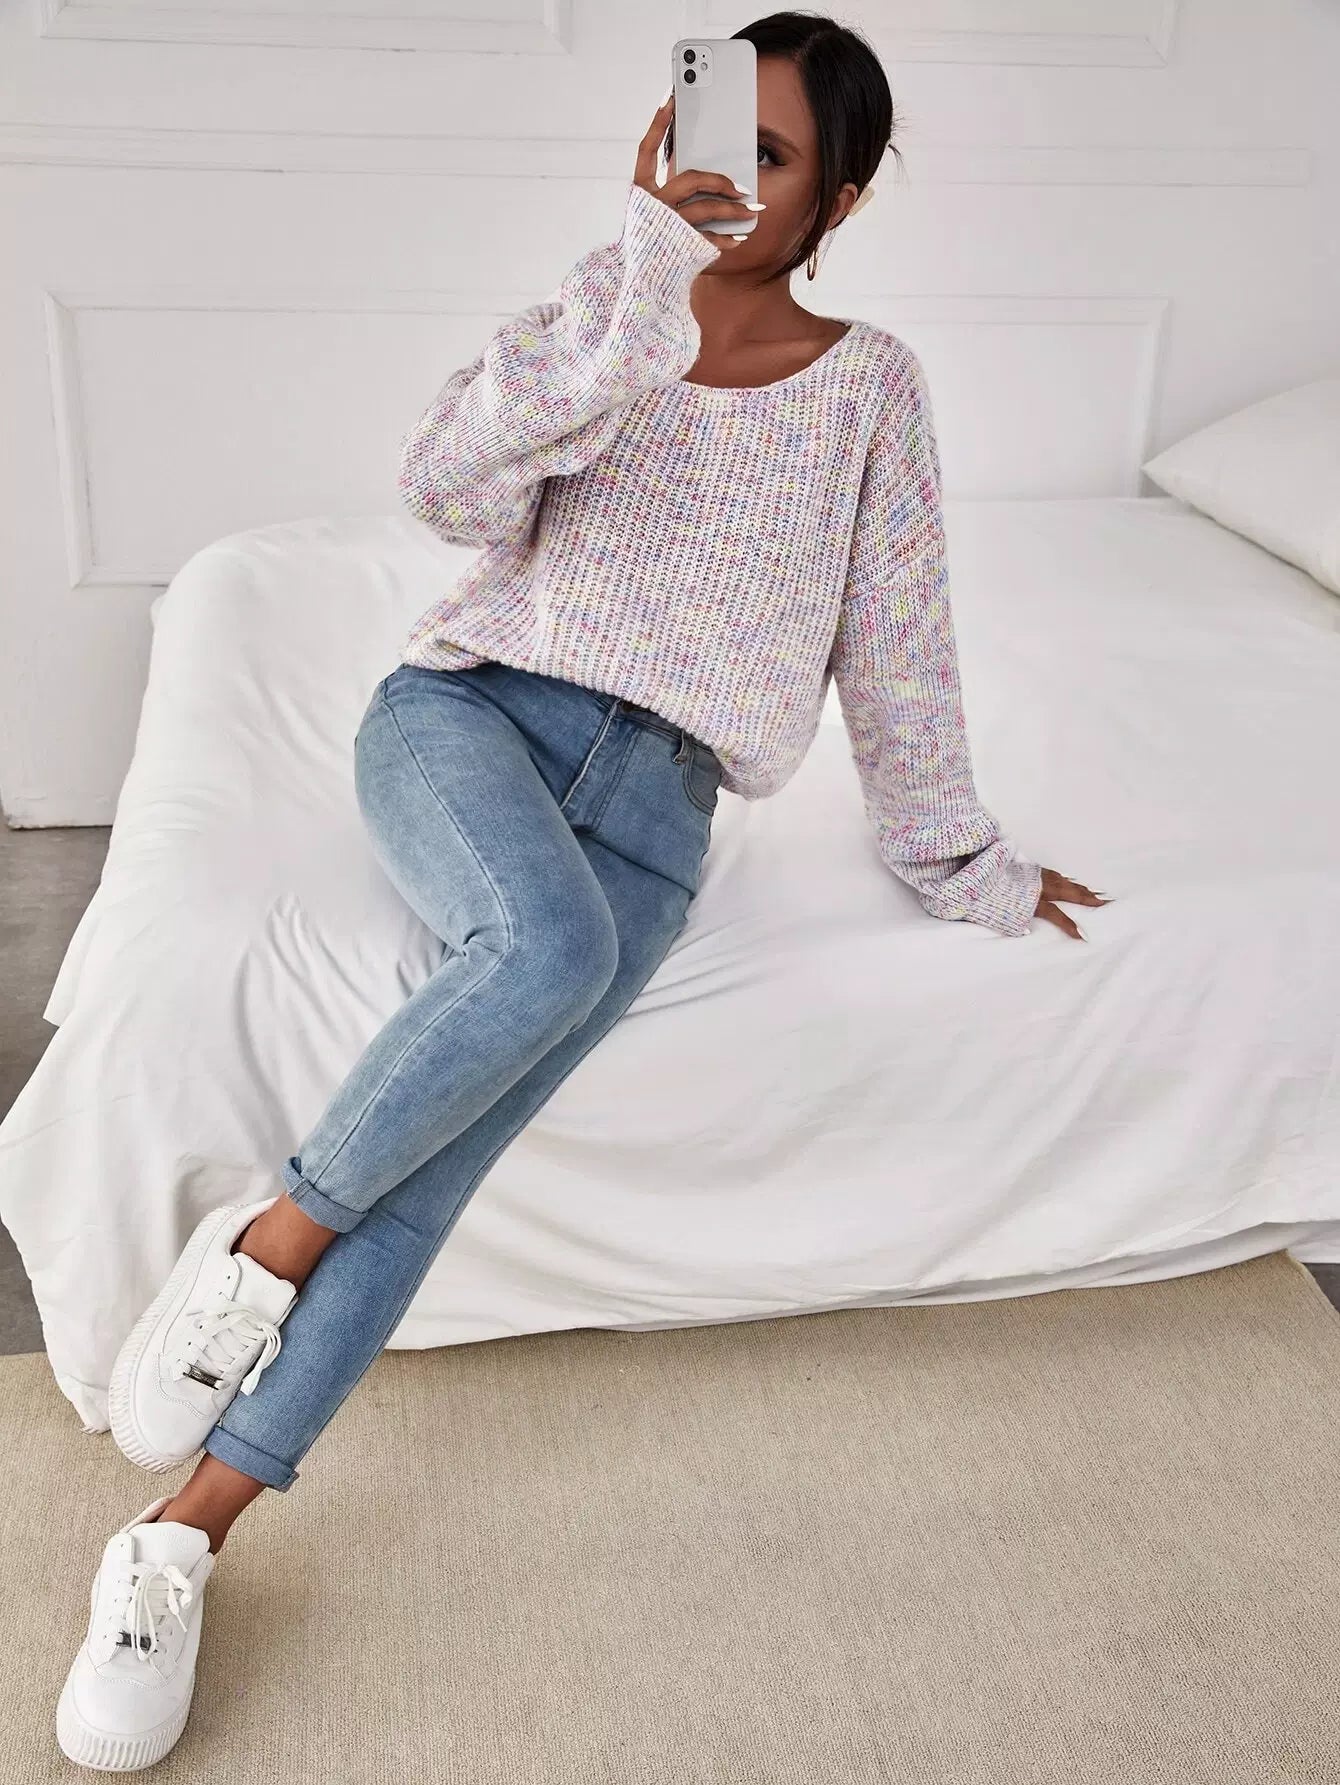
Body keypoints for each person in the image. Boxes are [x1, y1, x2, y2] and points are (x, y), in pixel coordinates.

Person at [57, 12, 1109, 1770]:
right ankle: (262, 1249)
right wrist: (638, 285)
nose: (727, 177)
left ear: (841, 196)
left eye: (772, 156)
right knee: (541, 949)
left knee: (433, 1182)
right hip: (467, 719)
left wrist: (957, 855)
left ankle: (179, 1537)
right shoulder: (606, 311)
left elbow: (898, 639)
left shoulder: (874, 387)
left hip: (659, 813)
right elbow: (443, 488)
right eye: (707, 134)